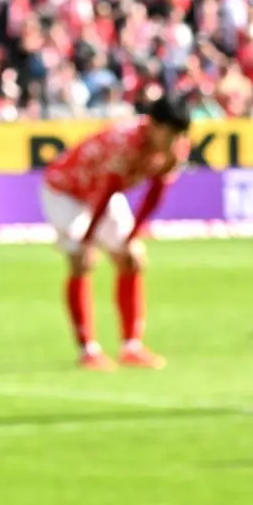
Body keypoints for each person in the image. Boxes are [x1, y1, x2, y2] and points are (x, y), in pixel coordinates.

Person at [41, 95, 191, 370]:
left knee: (132, 258)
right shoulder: (126, 143)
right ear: (154, 125)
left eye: (178, 135)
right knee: (82, 261)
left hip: (102, 195)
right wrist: (86, 242)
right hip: (67, 191)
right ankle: (88, 350)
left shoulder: (177, 147)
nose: (173, 142)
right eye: (169, 134)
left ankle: (131, 346)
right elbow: (106, 190)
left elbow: (156, 193)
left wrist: (131, 236)